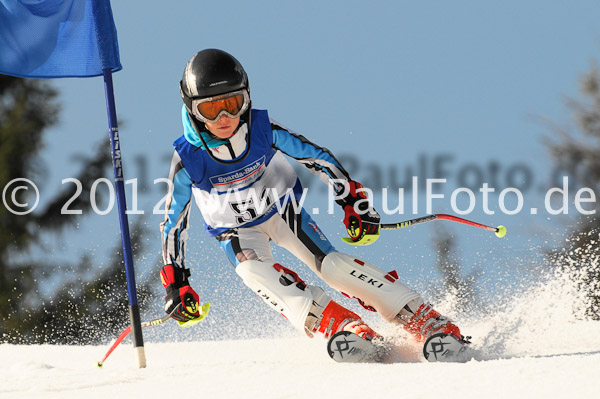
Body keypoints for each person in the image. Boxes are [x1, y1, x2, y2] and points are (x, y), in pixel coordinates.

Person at [159, 48, 464, 349]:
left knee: (331, 266)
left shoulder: (261, 129)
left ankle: (421, 316)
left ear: (246, 98)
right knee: (253, 271)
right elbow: (174, 223)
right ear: (192, 109)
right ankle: (339, 323)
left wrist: (351, 200)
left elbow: (317, 158)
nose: (225, 117)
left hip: (281, 211)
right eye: (210, 110)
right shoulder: (188, 159)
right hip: (236, 230)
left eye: (234, 103)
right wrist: (175, 281)